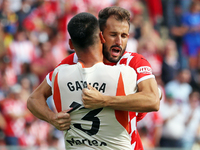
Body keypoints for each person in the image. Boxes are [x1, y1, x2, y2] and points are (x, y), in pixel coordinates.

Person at [28, 6, 160, 150]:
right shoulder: (74, 61)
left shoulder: (134, 62)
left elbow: (152, 100)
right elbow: (34, 99)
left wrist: (104, 100)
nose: (119, 41)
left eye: (124, 36)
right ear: (100, 35)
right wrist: (52, 118)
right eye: (113, 34)